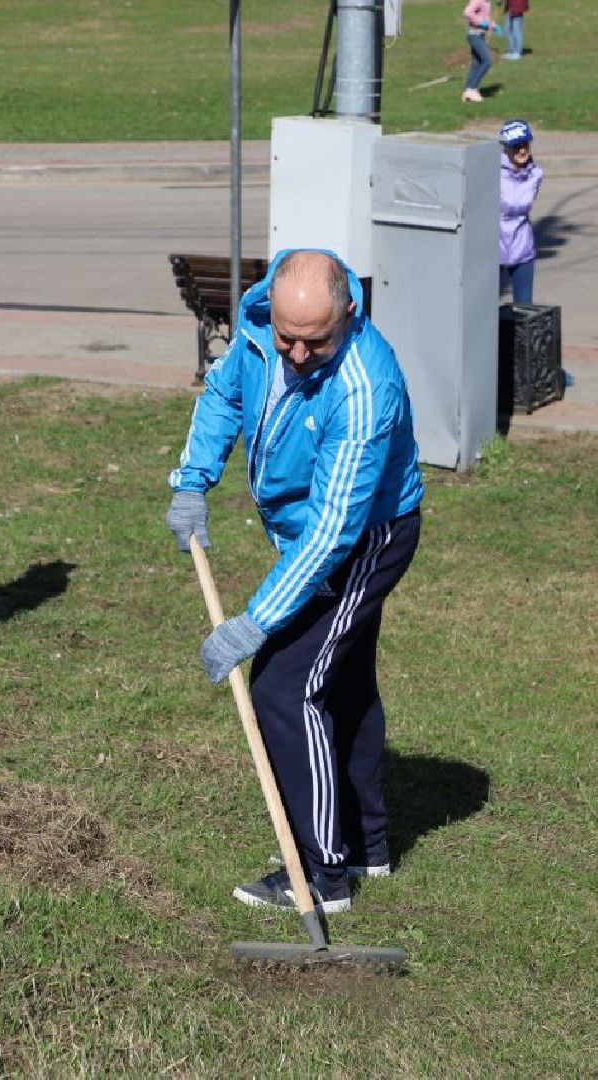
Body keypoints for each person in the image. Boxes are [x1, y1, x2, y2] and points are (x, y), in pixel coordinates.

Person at [165, 249, 424, 913]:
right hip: (313, 533)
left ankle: (320, 874)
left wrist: (255, 622)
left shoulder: (366, 388)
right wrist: (193, 480)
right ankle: (366, 844)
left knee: (284, 689)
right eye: (288, 338)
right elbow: (225, 395)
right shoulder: (256, 327)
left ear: (350, 314)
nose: (299, 355)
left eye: (317, 341)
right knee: (343, 684)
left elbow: (333, 531)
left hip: (366, 540)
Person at [498, 119, 542, 307]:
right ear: (506, 148)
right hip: (494, 250)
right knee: (487, 314)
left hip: (522, 248)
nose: (522, 150)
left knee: (525, 311)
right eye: (516, 146)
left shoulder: (536, 175)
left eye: (525, 144)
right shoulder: (491, 172)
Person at [462, 0, 499, 102]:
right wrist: (480, 22)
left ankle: (468, 91)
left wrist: (493, 26)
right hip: (474, 35)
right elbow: (467, 12)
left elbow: (485, 18)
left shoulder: (487, 2)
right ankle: (471, 89)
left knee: (477, 63)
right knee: (487, 61)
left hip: (480, 35)